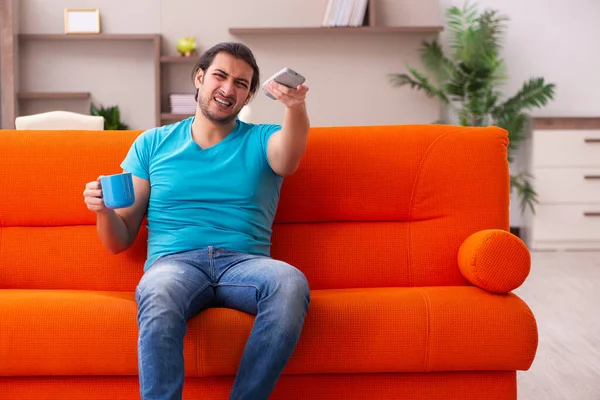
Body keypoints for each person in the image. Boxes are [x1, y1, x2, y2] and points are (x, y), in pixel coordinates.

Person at [82, 42, 311, 400]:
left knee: (290, 283)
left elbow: (289, 159)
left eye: (240, 83)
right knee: (156, 290)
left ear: (249, 96)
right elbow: (119, 239)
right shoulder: (152, 144)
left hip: (245, 264)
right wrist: (103, 211)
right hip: (174, 264)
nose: (227, 88)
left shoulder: (264, 139)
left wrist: (294, 107)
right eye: (220, 76)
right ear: (200, 77)